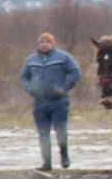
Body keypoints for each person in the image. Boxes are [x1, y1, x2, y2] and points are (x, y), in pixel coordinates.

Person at [19, 32, 81, 171]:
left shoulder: (63, 57)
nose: (44, 44)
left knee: (60, 131)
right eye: (41, 42)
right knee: (43, 134)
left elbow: (75, 73)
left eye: (47, 42)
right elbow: (23, 77)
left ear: (52, 44)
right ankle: (46, 163)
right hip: (39, 103)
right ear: (38, 44)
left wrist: (64, 88)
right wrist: (29, 88)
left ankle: (64, 155)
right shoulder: (31, 59)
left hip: (59, 102)